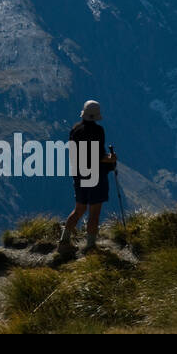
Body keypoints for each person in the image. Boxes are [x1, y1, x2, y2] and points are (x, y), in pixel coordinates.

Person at [59, 99, 117, 251]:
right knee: (94, 213)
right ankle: (90, 246)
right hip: (95, 176)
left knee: (78, 210)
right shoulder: (98, 131)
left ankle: (64, 241)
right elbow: (97, 155)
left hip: (79, 174)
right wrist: (110, 159)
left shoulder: (75, 130)